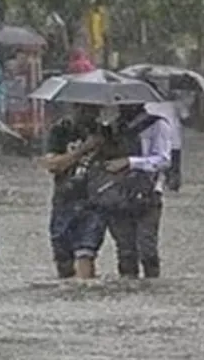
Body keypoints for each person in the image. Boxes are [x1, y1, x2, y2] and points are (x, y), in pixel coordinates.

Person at [98, 103, 173, 279]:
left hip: (148, 193)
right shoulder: (112, 128)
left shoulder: (157, 125)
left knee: (147, 249)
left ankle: (152, 284)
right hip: (117, 194)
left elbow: (163, 160)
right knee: (125, 251)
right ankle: (128, 287)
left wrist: (130, 162)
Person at [41, 104, 106, 279]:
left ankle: (86, 296)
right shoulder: (61, 130)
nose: (89, 114)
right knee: (63, 259)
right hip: (65, 199)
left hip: (94, 200)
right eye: (82, 109)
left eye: (94, 110)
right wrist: (83, 149)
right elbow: (53, 165)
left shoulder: (105, 132)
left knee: (86, 252)